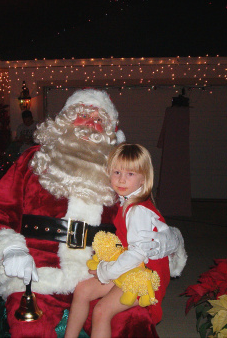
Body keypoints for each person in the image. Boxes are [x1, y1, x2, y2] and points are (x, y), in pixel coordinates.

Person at [0, 89, 186, 337]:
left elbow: (148, 215)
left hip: (101, 275)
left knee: (134, 324)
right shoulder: (34, 159)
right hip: (39, 274)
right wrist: (9, 248)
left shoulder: (119, 170)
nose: (91, 124)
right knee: (30, 330)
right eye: (83, 115)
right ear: (65, 120)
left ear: (110, 131)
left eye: (99, 120)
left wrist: (167, 241)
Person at [64, 143, 173, 338]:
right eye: (116, 172)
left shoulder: (138, 210)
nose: (121, 179)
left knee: (102, 311)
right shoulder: (126, 202)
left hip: (145, 277)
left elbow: (137, 254)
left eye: (130, 174)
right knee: (82, 289)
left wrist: (104, 271)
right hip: (130, 268)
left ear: (144, 179)